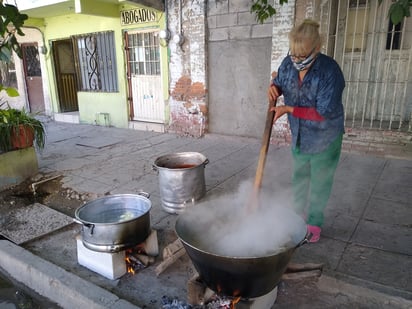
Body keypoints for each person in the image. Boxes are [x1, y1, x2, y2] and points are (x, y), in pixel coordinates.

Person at [267, 19, 345, 243]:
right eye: (294, 54)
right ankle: (296, 215)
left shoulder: (330, 72)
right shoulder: (288, 63)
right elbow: (280, 81)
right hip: (300, 135)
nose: (297, 60)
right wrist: (273, 88)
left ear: (317, 49)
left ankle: (314, 224)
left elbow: (323, 112)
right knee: (299, 177)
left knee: (320, 182)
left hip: (326, 137)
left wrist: (288, 108)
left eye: (302, 56)